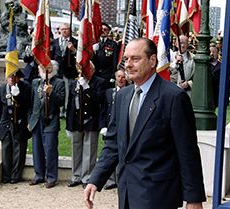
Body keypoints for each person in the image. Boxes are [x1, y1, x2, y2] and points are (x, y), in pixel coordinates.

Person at [84, 38, 206, 209]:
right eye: (126, 59)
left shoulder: (174, 97)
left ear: (152, 61)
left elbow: (187, 151)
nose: (128, 64)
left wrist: (193, 198)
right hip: (126, 194)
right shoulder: (122, 96)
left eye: (135, 59)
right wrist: (95, 179)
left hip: (159, 196)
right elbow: (113, 144)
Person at [66, 62, 106, 189]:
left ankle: (87, 177)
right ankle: (76, 176)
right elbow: (70, 104)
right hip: (76, 120)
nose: (83, 72)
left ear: (93, 70)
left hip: (91, 119)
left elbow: (99, 99)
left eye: (87, 69)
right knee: (76, 148)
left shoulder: (99, 82)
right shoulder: (75, 82)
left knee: (89, 149)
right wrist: (68, 124)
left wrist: (87, 88)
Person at [28, 60, 65, 189]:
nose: (45, 71)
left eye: (48, 68)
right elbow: (31, 103)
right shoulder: (35, 82)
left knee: (50, 149)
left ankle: (51, 177)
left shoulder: (59, 83)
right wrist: (30, 120)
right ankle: (39, 175)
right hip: (36, 120)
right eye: (42, 68)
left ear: (53, 69)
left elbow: (61, 102)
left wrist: (51, 92)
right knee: (37, 149)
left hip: (51, 120)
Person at [0, 69, 31, 184]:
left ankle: (15, 176)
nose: (11, 79)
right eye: (9, 76)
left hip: (19, 122)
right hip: (5, 122)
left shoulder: (25, 87)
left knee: (19, 149)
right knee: (6, 149)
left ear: (18, 77)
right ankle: (6, 175)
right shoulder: (2, 89)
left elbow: (26, 105)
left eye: (13, 77)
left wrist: (18, 95)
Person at [99, 69, 128, 190]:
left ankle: (120, 178)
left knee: (122, 152)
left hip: (124, 127)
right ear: (115, 78)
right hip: (110, 126)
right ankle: (110, 180)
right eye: (118, 77)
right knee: (109, 151)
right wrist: (103, 126)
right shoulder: (108, 92)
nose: (120, 79)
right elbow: (103, 110)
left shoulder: (129, 91)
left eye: (123, 77)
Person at [51, 23, 78, 118]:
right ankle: (59, 109)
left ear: (70, 30)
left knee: (68, 91)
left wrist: (73, 50)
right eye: (62, 29)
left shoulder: (75, 42)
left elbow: (79, 56)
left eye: (66, 29)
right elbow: (52, 55)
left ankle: (66, 110)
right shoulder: (54, 42)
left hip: (69, 70)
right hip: (57, 71)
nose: (64, 31)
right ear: (59, 30)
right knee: (58, 90)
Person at [92, 22, 119, 89]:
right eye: (102, 29)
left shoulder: (113, 44)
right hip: (95, 73)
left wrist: (113, 76)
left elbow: (114, 61)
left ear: (108, 31)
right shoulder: (94, 42)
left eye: (105, 29)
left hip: (107, 74)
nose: (103, 31)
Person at [210, 43, 221, 108]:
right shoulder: (205, 66)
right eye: (210, 52)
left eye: (214, 52)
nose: (211, 54)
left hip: (217, 95)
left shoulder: (221, 66)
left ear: (217, 53)